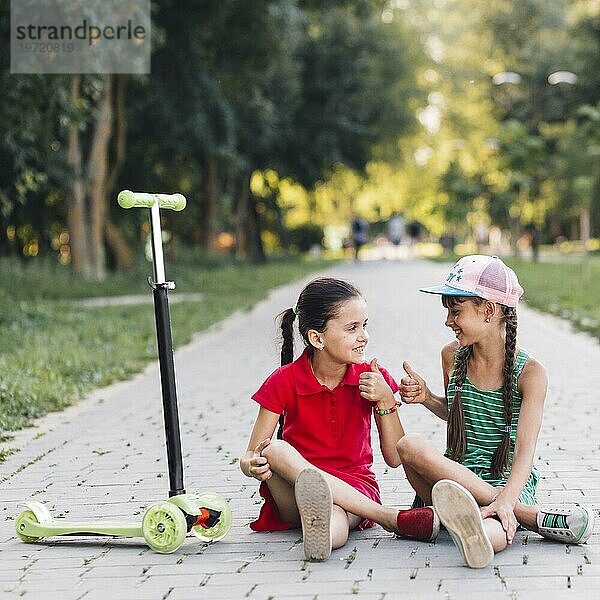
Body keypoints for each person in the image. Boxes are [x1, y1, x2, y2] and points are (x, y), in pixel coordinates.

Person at [396, 255, 595, 568]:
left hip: (506, 477)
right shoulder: (452, 356)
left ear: (488, 310)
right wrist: (426, 397)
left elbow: (526, 451)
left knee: (493, 530)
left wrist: (506, 497)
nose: (448, 321)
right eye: (448, 311)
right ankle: (527, 517)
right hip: (454, 475)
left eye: (456, 310)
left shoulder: (530, 373)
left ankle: (475, 527)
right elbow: (458, 414)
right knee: (408, 446)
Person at [240, 277, 438, 561]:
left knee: (335, 516)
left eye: (364, 326)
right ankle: (389, 518)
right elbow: (250, 454)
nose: (364, 336)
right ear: (317, 338)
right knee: (273, 449)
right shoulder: (283, 380)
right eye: (352, 328)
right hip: (296, 488)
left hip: (354, 487)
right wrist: (253, 465)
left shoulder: (372, 377)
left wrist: (385, 399)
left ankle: (319, 538)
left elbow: (395, 456)